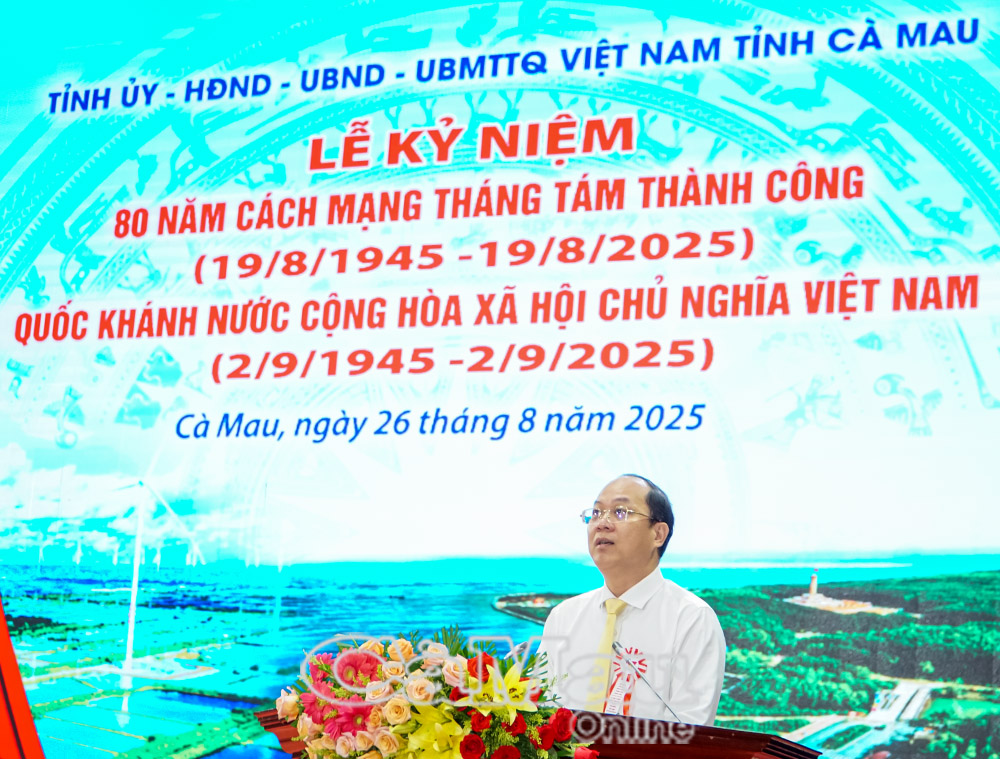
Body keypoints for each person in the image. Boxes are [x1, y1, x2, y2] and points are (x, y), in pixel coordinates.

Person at [537, 474, 726, 725]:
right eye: (596, 513)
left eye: (620, 512)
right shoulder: (564, 617)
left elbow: (689, 731)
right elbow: (539, 716)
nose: (602, 524)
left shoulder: (691, 619)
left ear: (658, 534)